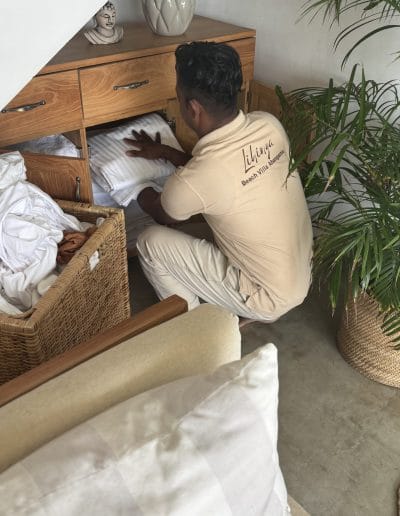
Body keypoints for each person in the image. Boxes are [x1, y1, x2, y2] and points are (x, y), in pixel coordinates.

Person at [124, 41, 313, 323]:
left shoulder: (201, 177)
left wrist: (130, 181)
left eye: (178, 96)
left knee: (150, 241)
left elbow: (162, 213)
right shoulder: (268, 124)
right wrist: (166, 153)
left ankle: (198, 327)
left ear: (193, 108)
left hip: (266, 296)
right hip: (300, 274)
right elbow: (221, 175)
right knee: (205, 224)